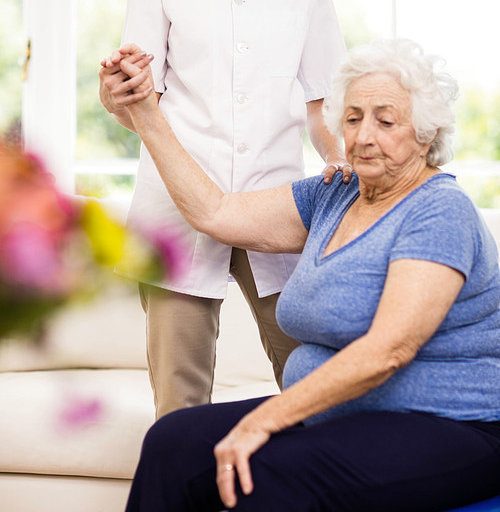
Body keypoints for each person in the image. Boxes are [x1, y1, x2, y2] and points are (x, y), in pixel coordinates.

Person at [110, 38, 499, 512]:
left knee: (264, 475)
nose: (364, 136)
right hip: (349, 417)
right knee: (175, 440)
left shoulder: (439, 210)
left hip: (453, 425)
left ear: (425, 133)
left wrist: (265, 419)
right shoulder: (335, 195)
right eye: (353, 118)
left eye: (386, 120)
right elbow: (216, 213)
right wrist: (147, 114)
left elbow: (388, 351)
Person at [99, 0, 348, 419]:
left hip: (275, 206)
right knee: (179, 408)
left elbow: (323, 106)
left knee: (316, 394)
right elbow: (137, 107)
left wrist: (338, 158)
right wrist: (115, 95)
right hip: (177, 207)